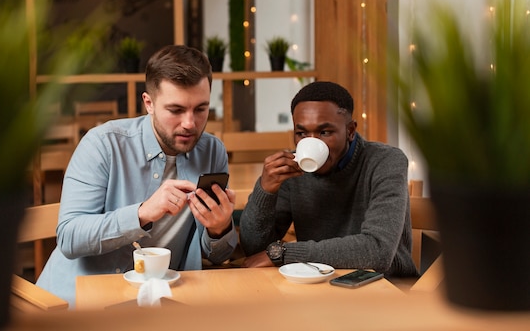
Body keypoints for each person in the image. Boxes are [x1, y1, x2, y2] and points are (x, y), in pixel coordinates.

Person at [37, 45, 239, 306]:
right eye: (176, 110)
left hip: (161, 306)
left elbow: (218, 254)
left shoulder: (212, 152)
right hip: (76, 307)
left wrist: (219, 229)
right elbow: (69, 237)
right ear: (149, 104)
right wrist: (142, 213)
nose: (190, 123)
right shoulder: (103, 144)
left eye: (201, 109)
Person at [239, 81, 418, 279]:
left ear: (350, 131)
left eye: (324, 132)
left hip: (389, 290)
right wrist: (265, 191)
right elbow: (255, 250)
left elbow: (378, 251)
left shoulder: (385, 161)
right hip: (318, 285)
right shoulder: (291, 170)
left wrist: (286, 254)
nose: (311, 141)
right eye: (302, 133)